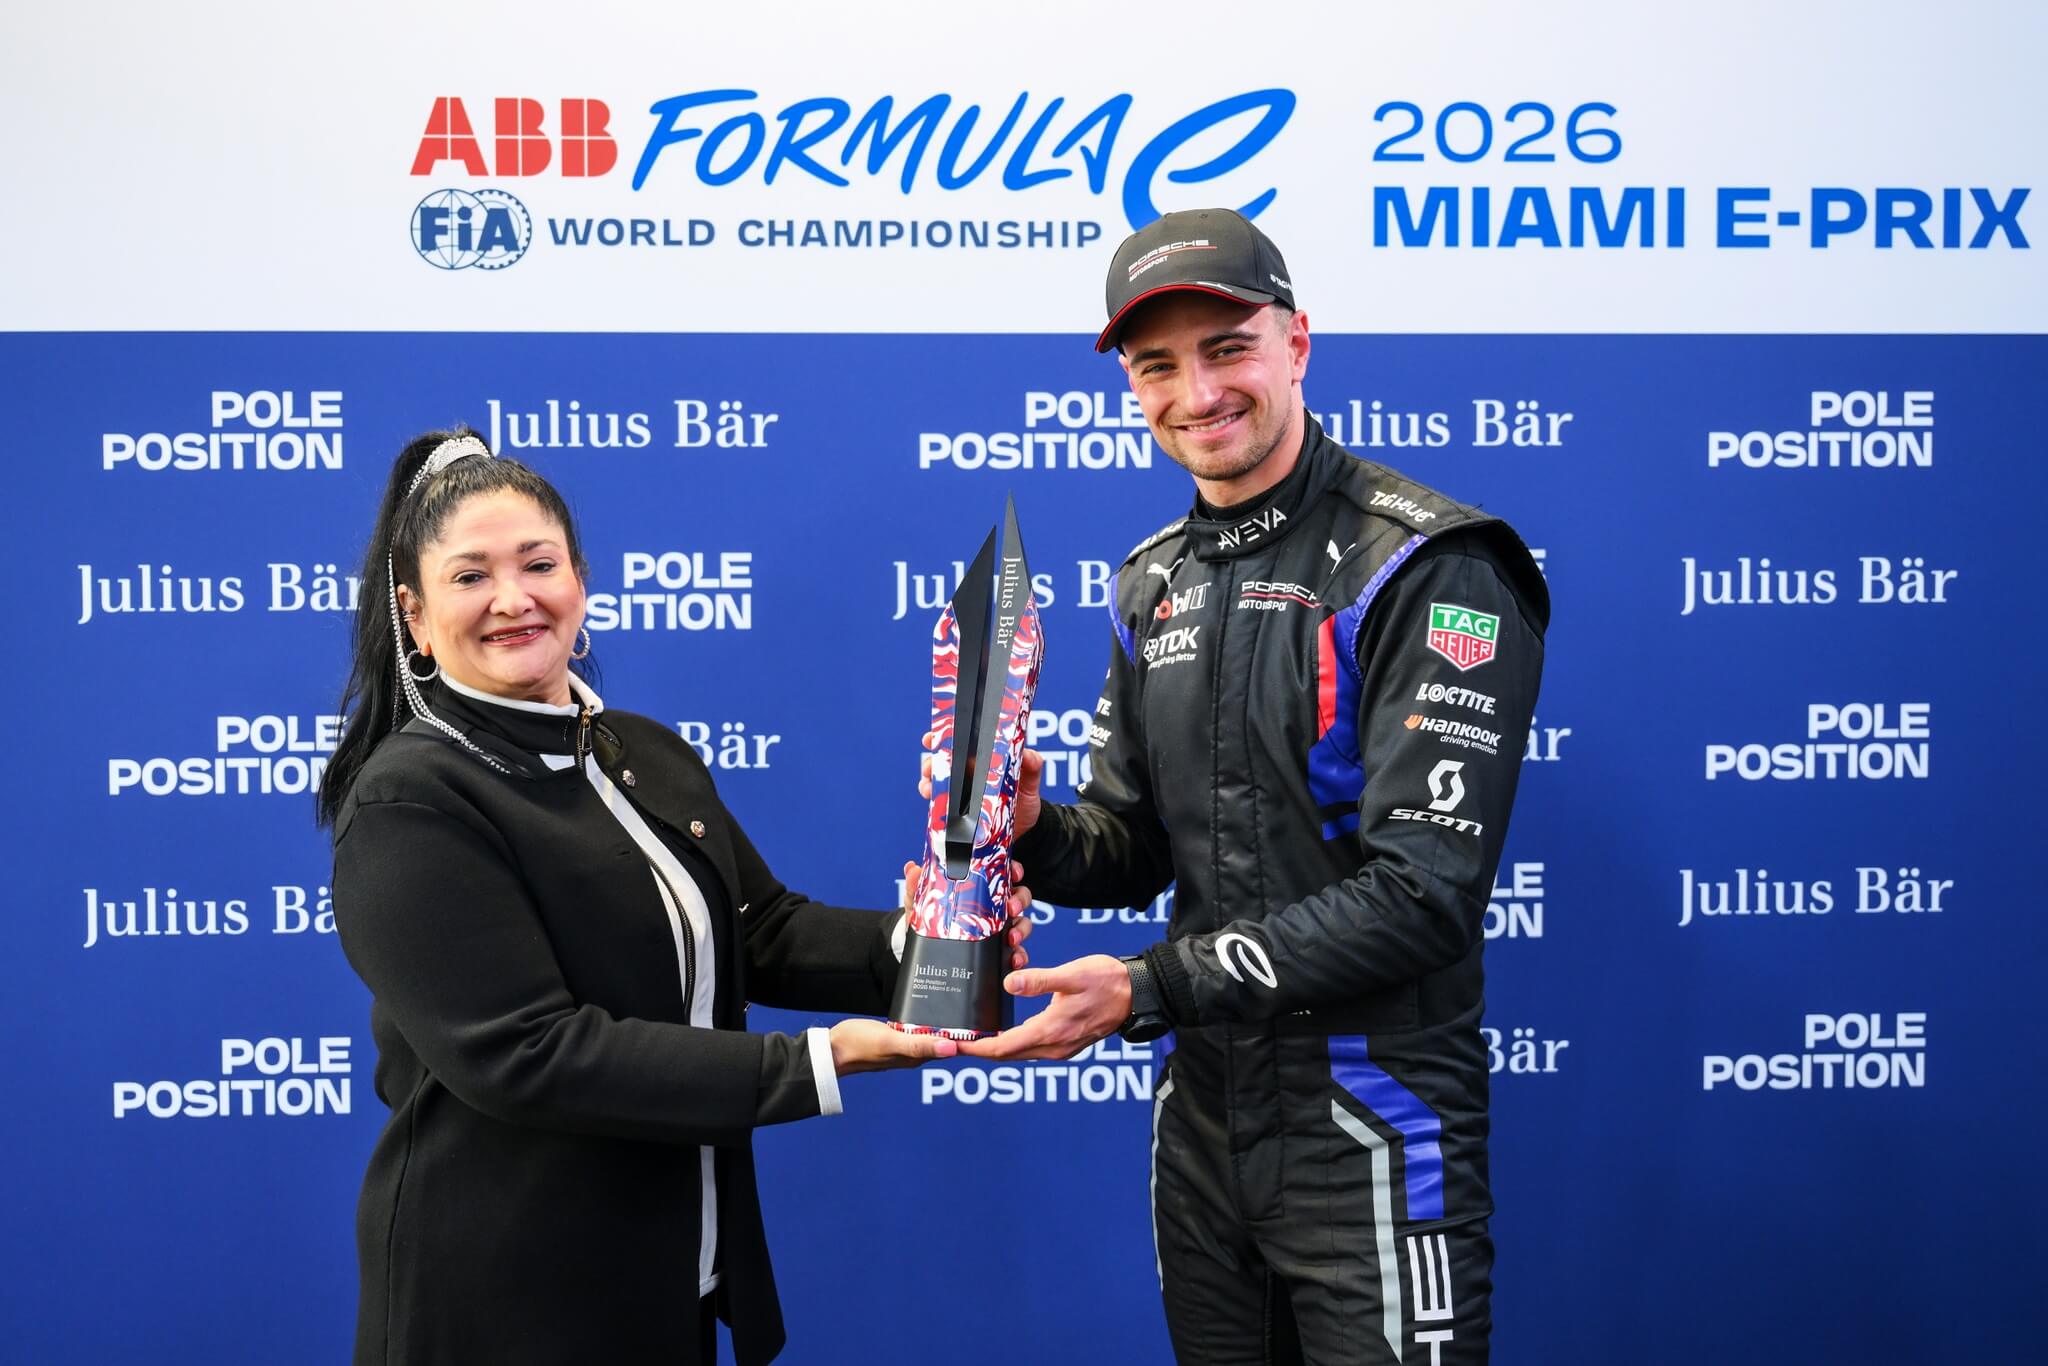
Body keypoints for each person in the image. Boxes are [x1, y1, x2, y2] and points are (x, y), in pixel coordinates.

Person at [957, 209, 1550, 1364]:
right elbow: (1135, 844)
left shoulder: (1427, 564)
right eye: (1157, 365)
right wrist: (1032, 829)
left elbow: (1422, 893)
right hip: (1203, 1122)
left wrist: (1151, 987)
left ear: (1297, 343)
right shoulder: (1150, 582)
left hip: (1371, 1113)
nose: (1196, 393)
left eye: (1226, 348)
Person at [318, 429, 1030, 1366]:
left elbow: (762, 931)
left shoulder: (644, 751)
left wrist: (929, 945)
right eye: (470, 576)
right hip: (505, 1302)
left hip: (668, 1277)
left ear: (581, 580)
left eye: (539, 564)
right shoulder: (410, 799)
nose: (514, 598)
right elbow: (526, 1053)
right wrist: (820, 1061)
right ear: (414, 614)